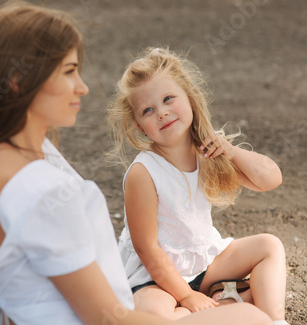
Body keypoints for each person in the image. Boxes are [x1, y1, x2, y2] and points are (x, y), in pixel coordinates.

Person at [0, 1, 273, 325]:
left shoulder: (9, 155)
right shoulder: (41, 189)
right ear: (18, 81)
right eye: (68, 72)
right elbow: (107, 319)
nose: (83, 86)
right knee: (253, 318)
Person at [108, 47, 290, 325]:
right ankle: (227, 305)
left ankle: (272, 320)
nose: (162, 113)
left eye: (169, 99)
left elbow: (270, 179)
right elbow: (146, 249)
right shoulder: (144, 172)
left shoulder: (208, 150)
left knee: (269, 245)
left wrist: (232, 152)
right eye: (148, 110)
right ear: (140, 126)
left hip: (203, 264)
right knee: (151, 315)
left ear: (190, 98)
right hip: (154, 276)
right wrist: (186, 297)